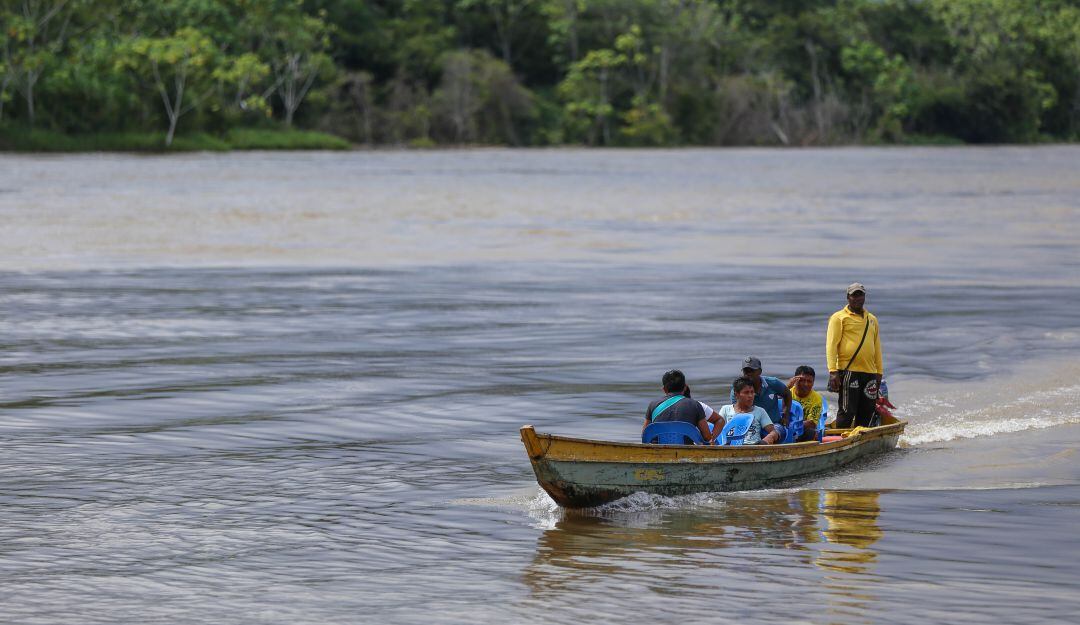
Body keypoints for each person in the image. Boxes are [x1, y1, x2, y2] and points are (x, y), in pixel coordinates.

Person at [826, 283, 884, 428]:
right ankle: (840, 442)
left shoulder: (872, 319)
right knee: (847, 411)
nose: (858, 298)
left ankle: (861, 442)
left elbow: (877, 347)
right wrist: (833, 371)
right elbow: (831, 345)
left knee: (867, 411)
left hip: (870, 372)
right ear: (848, 297)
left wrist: (879, 373)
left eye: (860, 295)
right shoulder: (839, 318)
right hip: (849, 371)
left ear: (864, 296)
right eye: (854, 295)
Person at [644, 369, 723, 444]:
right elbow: (707, 437)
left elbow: (644, 435)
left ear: (664, 389)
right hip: (686, 451)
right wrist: (711, 440)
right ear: (685, 387)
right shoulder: (695, 405)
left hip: (657, 452)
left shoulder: (652, 405)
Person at [729, 356, 793, 430]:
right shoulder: (737, 391)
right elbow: (736, 412)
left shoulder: (773, 383)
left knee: (776, 431)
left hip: (774, 425)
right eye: (746, 371)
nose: (749, 374)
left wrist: (785, 415)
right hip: (750, 428)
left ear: (760, 371)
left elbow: (787, 394)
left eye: (752, 370)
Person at [719, 376, 781, 444]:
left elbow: (774, 432)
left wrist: (767, 440)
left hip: (754, 446)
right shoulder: (725, 409)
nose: (750, 396)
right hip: (730, 446)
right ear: (736, 395)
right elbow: (717, 430)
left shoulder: (760, 411)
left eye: (752, 392)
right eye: (746, 392)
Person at [787, 365, 823, 442]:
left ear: (813, 383)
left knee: (811, 432)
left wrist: (792, 426)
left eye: (809, 381)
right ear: (795, 380)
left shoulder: (817, 398)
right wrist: (786, 388)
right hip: (785, 429)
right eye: (802, 380)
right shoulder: (787, 393)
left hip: (802, 430)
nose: (806, 384)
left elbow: (812, 423)